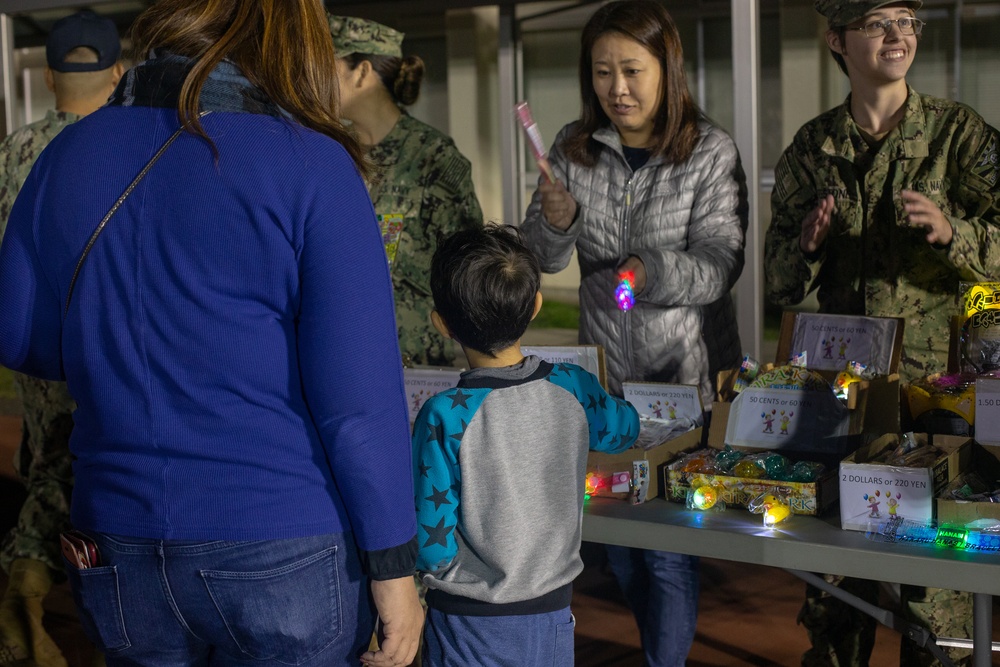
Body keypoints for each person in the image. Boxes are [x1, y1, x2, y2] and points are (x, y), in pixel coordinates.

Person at [0, 1, 424, 665]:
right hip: (283, 541)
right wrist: (394, 567)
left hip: (119, 544)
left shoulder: (66, 155)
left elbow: (22, 337)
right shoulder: (310, 164)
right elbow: (357, 405)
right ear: (287, 34)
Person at [764, 1, 1000, 665]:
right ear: (837, 39)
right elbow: (780, 283)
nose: (898, 35)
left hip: (938, 403)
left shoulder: (958, 135)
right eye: (877, 22)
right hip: (843, 399)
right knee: (837, 587)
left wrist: (957, 234)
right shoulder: (815, 149)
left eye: (907, 20)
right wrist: (808, 246)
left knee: (939, 591)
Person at [520, 1, 748, 664]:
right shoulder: (573, 147)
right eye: (601, 72)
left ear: (665, 68)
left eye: (631, 70)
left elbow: (720, 262)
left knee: (670, 557)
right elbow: (542, 256)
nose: (617, 88)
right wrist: (557, 221)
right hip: (602, 391)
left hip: (677, 386)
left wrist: (648, 271)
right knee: (618, 548)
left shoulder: (709, 150)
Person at [413, 224, 640, 666]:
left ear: (441, 323)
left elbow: (432, 543)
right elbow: (624, 429)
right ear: (535, 305)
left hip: (467, 623)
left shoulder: (443, 415)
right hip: (551, 613)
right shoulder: (573, 387)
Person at [0, 11, 122, 667]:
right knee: (99, 475)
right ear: (119, 73)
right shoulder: (124, 149)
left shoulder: (13, 152)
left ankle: (27, 582)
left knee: (48, 462)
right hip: (107, 347)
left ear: (48, 76)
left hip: (35, 351)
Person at [328, 15, 483, 368]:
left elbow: (469, 268)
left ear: (362, 72)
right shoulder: (329, 153)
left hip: (416, 367)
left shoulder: (433, 156)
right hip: (341, 358)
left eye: (329, 66)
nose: (316, 78)